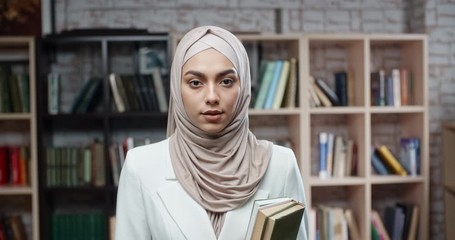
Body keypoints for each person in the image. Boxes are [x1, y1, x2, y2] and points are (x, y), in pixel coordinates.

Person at [115, 25, 308, 240]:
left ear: (243, 87)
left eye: (226, 81)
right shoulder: (140, 167)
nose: (212, 96)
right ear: (177, 90)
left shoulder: (281, 165)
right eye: (195, 82)